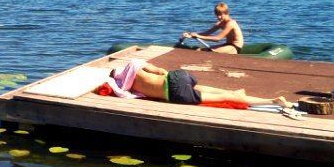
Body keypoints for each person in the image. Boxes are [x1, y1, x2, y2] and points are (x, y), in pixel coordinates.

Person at [106, 58, 292, 108]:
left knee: (228, 98)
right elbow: (162, 71)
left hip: (173, 93)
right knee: (212, 89)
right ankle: (239, 92)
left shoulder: (125, 87)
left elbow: (129, 95)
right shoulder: (135, 65)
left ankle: (273, 101)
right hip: (177, 77)